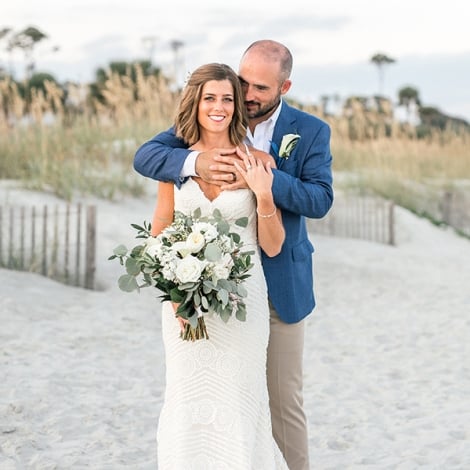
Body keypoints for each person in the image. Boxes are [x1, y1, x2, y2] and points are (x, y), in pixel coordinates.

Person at [135, 40, 334, 470]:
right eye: (241, 83)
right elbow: (148, 161)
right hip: (193, 295)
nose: (245, 95)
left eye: (259, 88)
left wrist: (264, 182)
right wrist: (197, 163)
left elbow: (320, 200)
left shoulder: (309, 132)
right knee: (193, 398)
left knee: (280, 402)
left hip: (273, 286)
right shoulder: (189, 139)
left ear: (284, 87)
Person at [150, 62, 288, 469]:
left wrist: (264, 195)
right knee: (185, 395)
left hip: (243, 301)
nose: (219, 107)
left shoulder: (257, 162)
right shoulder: (175, 163)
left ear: (236, 106)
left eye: (227, 99)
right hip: (184, 304)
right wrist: (174, 292)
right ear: (195, 103)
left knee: (240, 398)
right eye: (210, 97)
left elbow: (273, 246)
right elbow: (161, 229)